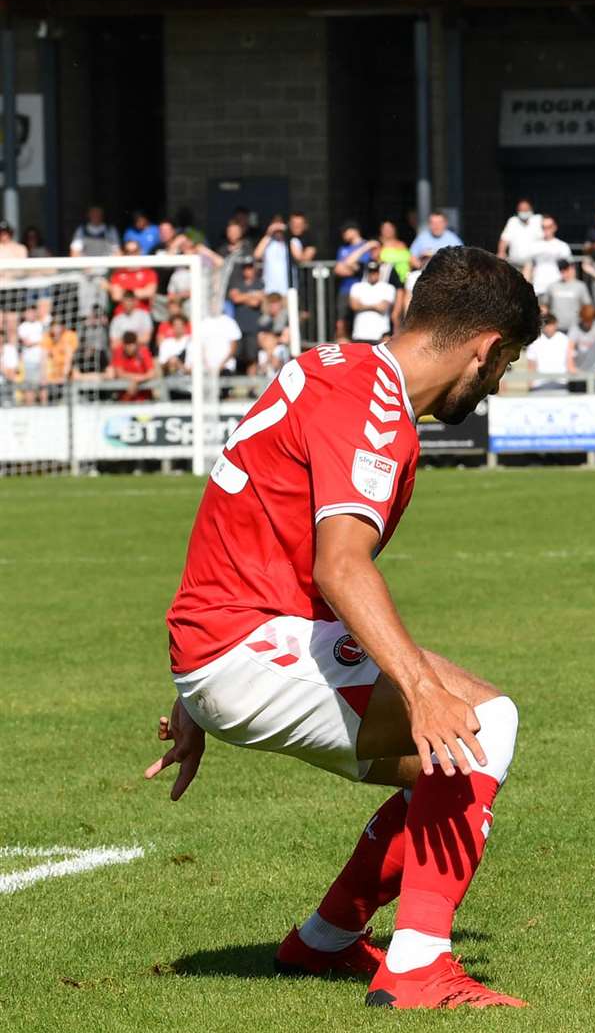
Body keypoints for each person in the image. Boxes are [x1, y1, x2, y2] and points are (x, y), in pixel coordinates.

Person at [147, 247, 540, 1011]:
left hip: (230, 645)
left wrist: (192, 697)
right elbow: (341, 566)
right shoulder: (376, 410)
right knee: (482, 725)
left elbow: (249, 523)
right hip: (247, 648)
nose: (497, 384)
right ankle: (420, 970)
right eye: (505, 365)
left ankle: (322, 941)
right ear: (485, 348)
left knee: (454, 766)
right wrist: (420, 689)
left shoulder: (335, 367)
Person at [567, 302, 595, 392]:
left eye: (589, 321)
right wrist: (570, 366)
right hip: (579, 371)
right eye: (585, 321)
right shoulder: (575, 327)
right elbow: (570, 348)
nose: (587, 324)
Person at [348, 262, 397, 344]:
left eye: (375, 272)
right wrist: (375, 305)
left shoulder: (388, 288)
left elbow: (383, 307)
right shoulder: (357, 286)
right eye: (370, 272)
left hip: (380, 335)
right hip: (359, 334)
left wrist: (363, 305)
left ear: (379, 273)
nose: (373, 274)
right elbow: (354, 305)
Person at [524, 216, 571, 298]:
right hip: (538, 289)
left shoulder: (563, 246)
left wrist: (568, 289)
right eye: (543, 227)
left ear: (555, 227)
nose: (546, 229)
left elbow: (569, 270)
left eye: (549, 227)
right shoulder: (534, 246)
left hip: (557, 290)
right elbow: (528, 267)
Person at [543, 259, 594, 332]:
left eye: (566, 269)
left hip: (575, 328)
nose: (564, 273)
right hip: (556, 329)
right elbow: (545, 306)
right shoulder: (552, 286)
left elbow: (587, 307)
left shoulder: (580, 286)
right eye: (561, 270)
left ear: (571, 269)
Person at [524, 312, 571, 392]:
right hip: (539, 384)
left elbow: (569, 361)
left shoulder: (565, 340)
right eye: (546, 324)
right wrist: (530, 383)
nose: (549, 327)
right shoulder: (535, 341)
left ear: (556, 324)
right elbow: (531, 364)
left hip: (561, 383)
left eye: (551, 324)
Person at [108, 330, 156, 401]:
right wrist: (138, 378)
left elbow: (151, 373)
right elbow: (120, 374)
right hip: (125, 399)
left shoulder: (143, 351)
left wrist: (137, 381)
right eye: (127, 345)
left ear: (136, 344)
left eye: (131, 344)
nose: (129, 348)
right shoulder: (119, 352)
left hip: (144, 400)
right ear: (123, 345)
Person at [496, 199, 542, 269]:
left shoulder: (538, 220)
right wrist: (501, 252)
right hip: (514, 264)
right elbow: (504, 239)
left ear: (531, 209)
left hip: (534, 265)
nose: (524, 212)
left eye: (526, 209)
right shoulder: (513, 221)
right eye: (521, 210)